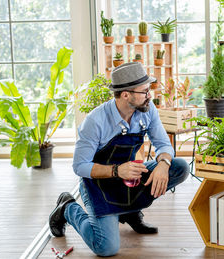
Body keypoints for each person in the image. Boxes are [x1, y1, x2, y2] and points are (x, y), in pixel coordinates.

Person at [49, 62, 189, 256]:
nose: (150, 96)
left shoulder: (147, 111)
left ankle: (129, 211)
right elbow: (79, 166)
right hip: (98, 183)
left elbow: (163, 144)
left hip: (129, 177)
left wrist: (164, 164)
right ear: (126, 94)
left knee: (179, 166)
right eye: (145, 91)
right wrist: (116, 170)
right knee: (106, 248)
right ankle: (67, 208)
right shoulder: (95, 121)